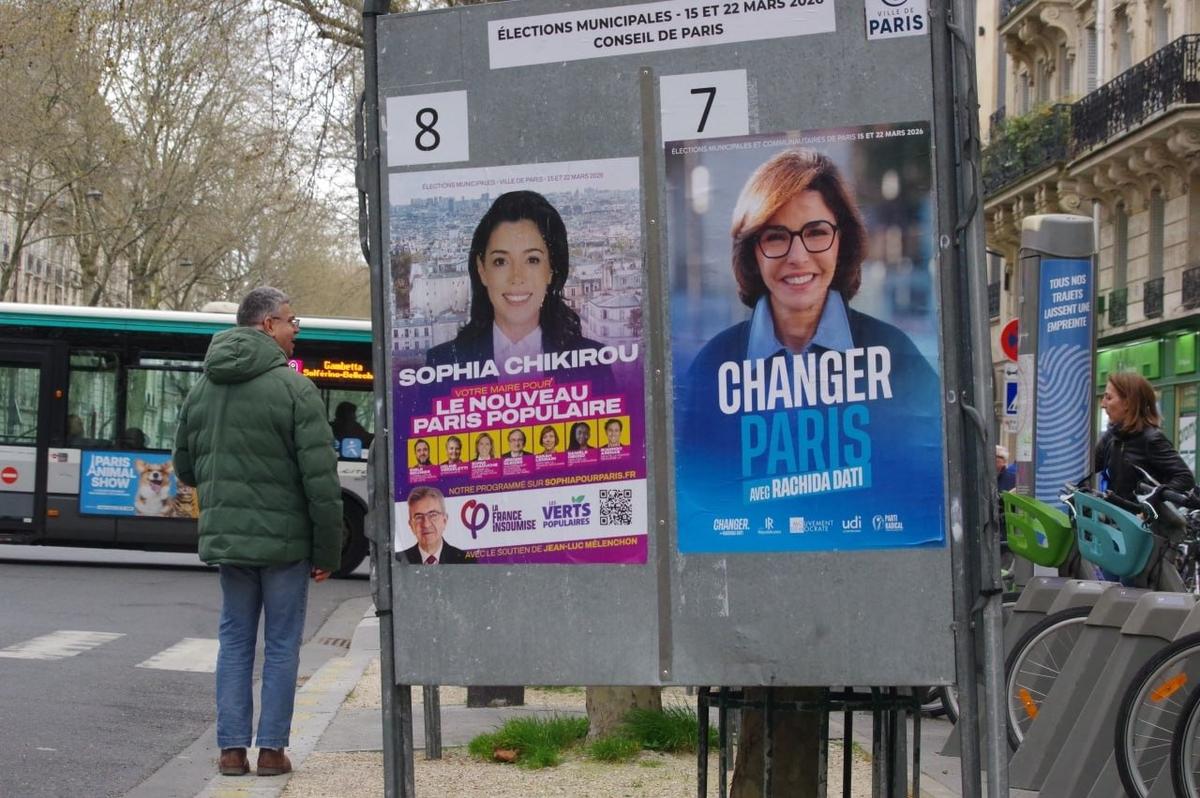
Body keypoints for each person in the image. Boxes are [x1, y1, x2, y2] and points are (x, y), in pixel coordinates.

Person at [676, 148, 942, 542]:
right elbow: (692, 509)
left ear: (842, 241)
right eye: (776, 237)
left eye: (816, 232)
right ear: (752, 250)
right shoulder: (713, 368)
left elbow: (929, 499)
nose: (797, 257)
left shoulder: (895, 356)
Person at [174, 286, 342, 778]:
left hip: (230, 540)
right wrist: (327, 549)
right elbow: (321, 481)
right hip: (286, 543)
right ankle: (271, 751)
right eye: (292, 321)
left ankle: (230, 751)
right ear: (268, 325)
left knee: (235, 641)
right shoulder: (295, 389)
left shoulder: (203, 387)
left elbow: (185, 465)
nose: (297, 331)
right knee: (284, 645)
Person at [426, 191, 607, 367]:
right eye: (500, 261)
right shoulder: (441, 363)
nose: (516, 277)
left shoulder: (594, 363)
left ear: (551, 269)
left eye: (532, 260)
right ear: (482, 270)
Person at [1096, 372, 1195, 502]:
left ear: (1127, 402)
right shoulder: (1112, 436)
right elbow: (1089, 466)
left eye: (1108, 398)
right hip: (1116, 519)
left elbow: (1184, 478)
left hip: (1142, 521)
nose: (1103, 404)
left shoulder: (1151, 439)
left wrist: (1152, 501)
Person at [400, 485, 472, 564]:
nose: (426, 524)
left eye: (433, 515)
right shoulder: (398, 562)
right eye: (419, 517)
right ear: (411, 525)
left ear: (444, 521)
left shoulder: (466, 561)